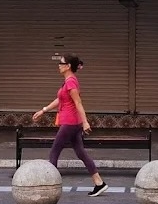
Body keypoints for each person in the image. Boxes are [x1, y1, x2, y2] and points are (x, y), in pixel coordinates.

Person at [32, 54, 108, 196]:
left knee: (54, 152)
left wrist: (85, 122)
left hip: (70, 122)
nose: (59, 65)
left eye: (61, 63)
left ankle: (50, 186)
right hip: (73, 122)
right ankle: (99, 183)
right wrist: (43, 110)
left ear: (68, 66)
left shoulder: (71, 82)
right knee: (80, 153)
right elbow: (60, 100)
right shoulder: (68, 81)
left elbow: (78, 102)